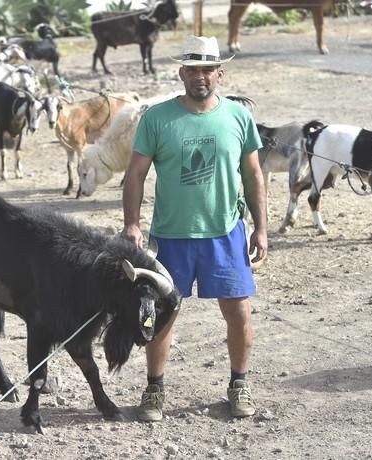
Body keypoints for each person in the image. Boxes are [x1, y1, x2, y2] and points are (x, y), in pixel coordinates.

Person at [121, 35, 268, 422]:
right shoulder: (157, 118)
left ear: (219, 73)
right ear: (181, 72)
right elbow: (135, 175)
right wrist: (132, 224)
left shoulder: (238, 117)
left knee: (239, 312)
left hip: (225, 232)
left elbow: (253, 175)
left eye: (208, 69)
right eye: (193, 69)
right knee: (161, 314)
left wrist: (261, 229)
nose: (201, 76)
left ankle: (239, 383)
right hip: (171, 236)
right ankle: (154, 389)